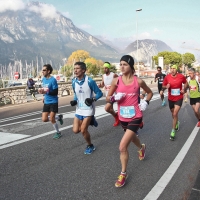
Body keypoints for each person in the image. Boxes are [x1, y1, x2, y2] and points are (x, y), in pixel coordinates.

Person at [106, 55, 153, 187]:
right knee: (132, 138)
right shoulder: (116, 81)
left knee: (122, 146)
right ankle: (141, 147)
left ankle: (123, 174)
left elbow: (149, 93)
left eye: (125, 64)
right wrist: (114, 98)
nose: (122, 67)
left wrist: (146, 102)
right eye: (120, 64)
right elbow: (108, 98)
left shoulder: (138, 81)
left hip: (135, 117)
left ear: (131, 66)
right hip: (123, 117)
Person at [70, 62, 103, 154]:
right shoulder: (73, 81)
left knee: (83, 130)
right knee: (76, 130)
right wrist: (74, 100)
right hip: (79, 109)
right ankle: (92, 120)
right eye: (74, 68)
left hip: (88, 109)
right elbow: (76, 94)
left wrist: (92, 99)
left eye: (77, 68)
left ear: (83, 70)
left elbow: (100, 93)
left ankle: (90, 145)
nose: (75, 70)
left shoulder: (90, 81)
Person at [160, 64, 188, 141]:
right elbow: (163, 85)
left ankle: (173, 131)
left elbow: (186, 83)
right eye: (171, 68)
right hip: (171, 98)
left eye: (174, 68)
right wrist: (165, 88)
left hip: (179, 97)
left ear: (176, 70)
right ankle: (177, 123)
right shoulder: (167, 77)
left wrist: (184, 90)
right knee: (173, 114)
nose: (172, 70)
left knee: (175, 113)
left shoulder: (181, 76)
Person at [38, 64, 63, 139]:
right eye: (42, 70)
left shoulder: (53, 80)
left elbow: (55, 92)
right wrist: (43, 96)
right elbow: (44, 89)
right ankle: (58, 118)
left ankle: (58, 132)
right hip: (46, 101)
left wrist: (46, 92)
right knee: (44, 119)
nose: (42, 72)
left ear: (48, 71)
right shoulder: (43, 79)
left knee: (52, 118)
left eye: (44, 70)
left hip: (53, 101)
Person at [98, 62, 119, 126]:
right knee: (110, 109)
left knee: (107, 108)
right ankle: (117, 118)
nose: (105, 69)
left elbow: (120, 82)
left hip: (114, 94)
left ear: (109, 68)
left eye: (106, 68)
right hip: (108, 95)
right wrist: (100, 85)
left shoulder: (113, 75)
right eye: (104, 68)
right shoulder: (103, 76)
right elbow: (103, 84)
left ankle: (117, 117)